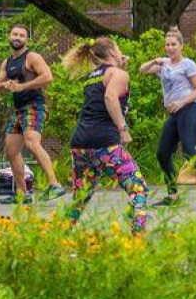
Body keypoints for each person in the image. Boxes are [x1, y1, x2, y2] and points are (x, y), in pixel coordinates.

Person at [63, 37, 150, 232]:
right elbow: (110, 97)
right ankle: (137, 238)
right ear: (111, 52)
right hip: (105, 143)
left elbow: (112, 89)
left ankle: (60, 236)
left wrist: (121, 68)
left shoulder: (93, 75)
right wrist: (123, 129)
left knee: (80, 197)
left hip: (80, 143)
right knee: (139, 189)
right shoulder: (117, 74)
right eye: (118, 50)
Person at [139, 28, 196, 206]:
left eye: (174, 44)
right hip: (175, 114)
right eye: (167, 44)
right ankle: (173, 195)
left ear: (181, 46)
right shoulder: (164, 65)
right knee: (162, 154)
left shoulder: (188, 64)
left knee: (189, 148)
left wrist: (182, 102)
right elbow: (142, 70)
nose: (170, 48)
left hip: (190, 108)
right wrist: (155, 60)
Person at [0, 24, 65, 203]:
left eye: (21, 35)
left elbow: (47, 77)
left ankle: (55, 184)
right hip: (18, 110)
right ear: (9, 37)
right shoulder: (7, 63)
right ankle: (23, 195)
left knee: (32, 143)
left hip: (34, 106)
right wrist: (5, 85)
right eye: (15, 34)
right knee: (11, 150)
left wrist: (22, 86)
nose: (17, 37)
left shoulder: (32, 57)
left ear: (27, 40)